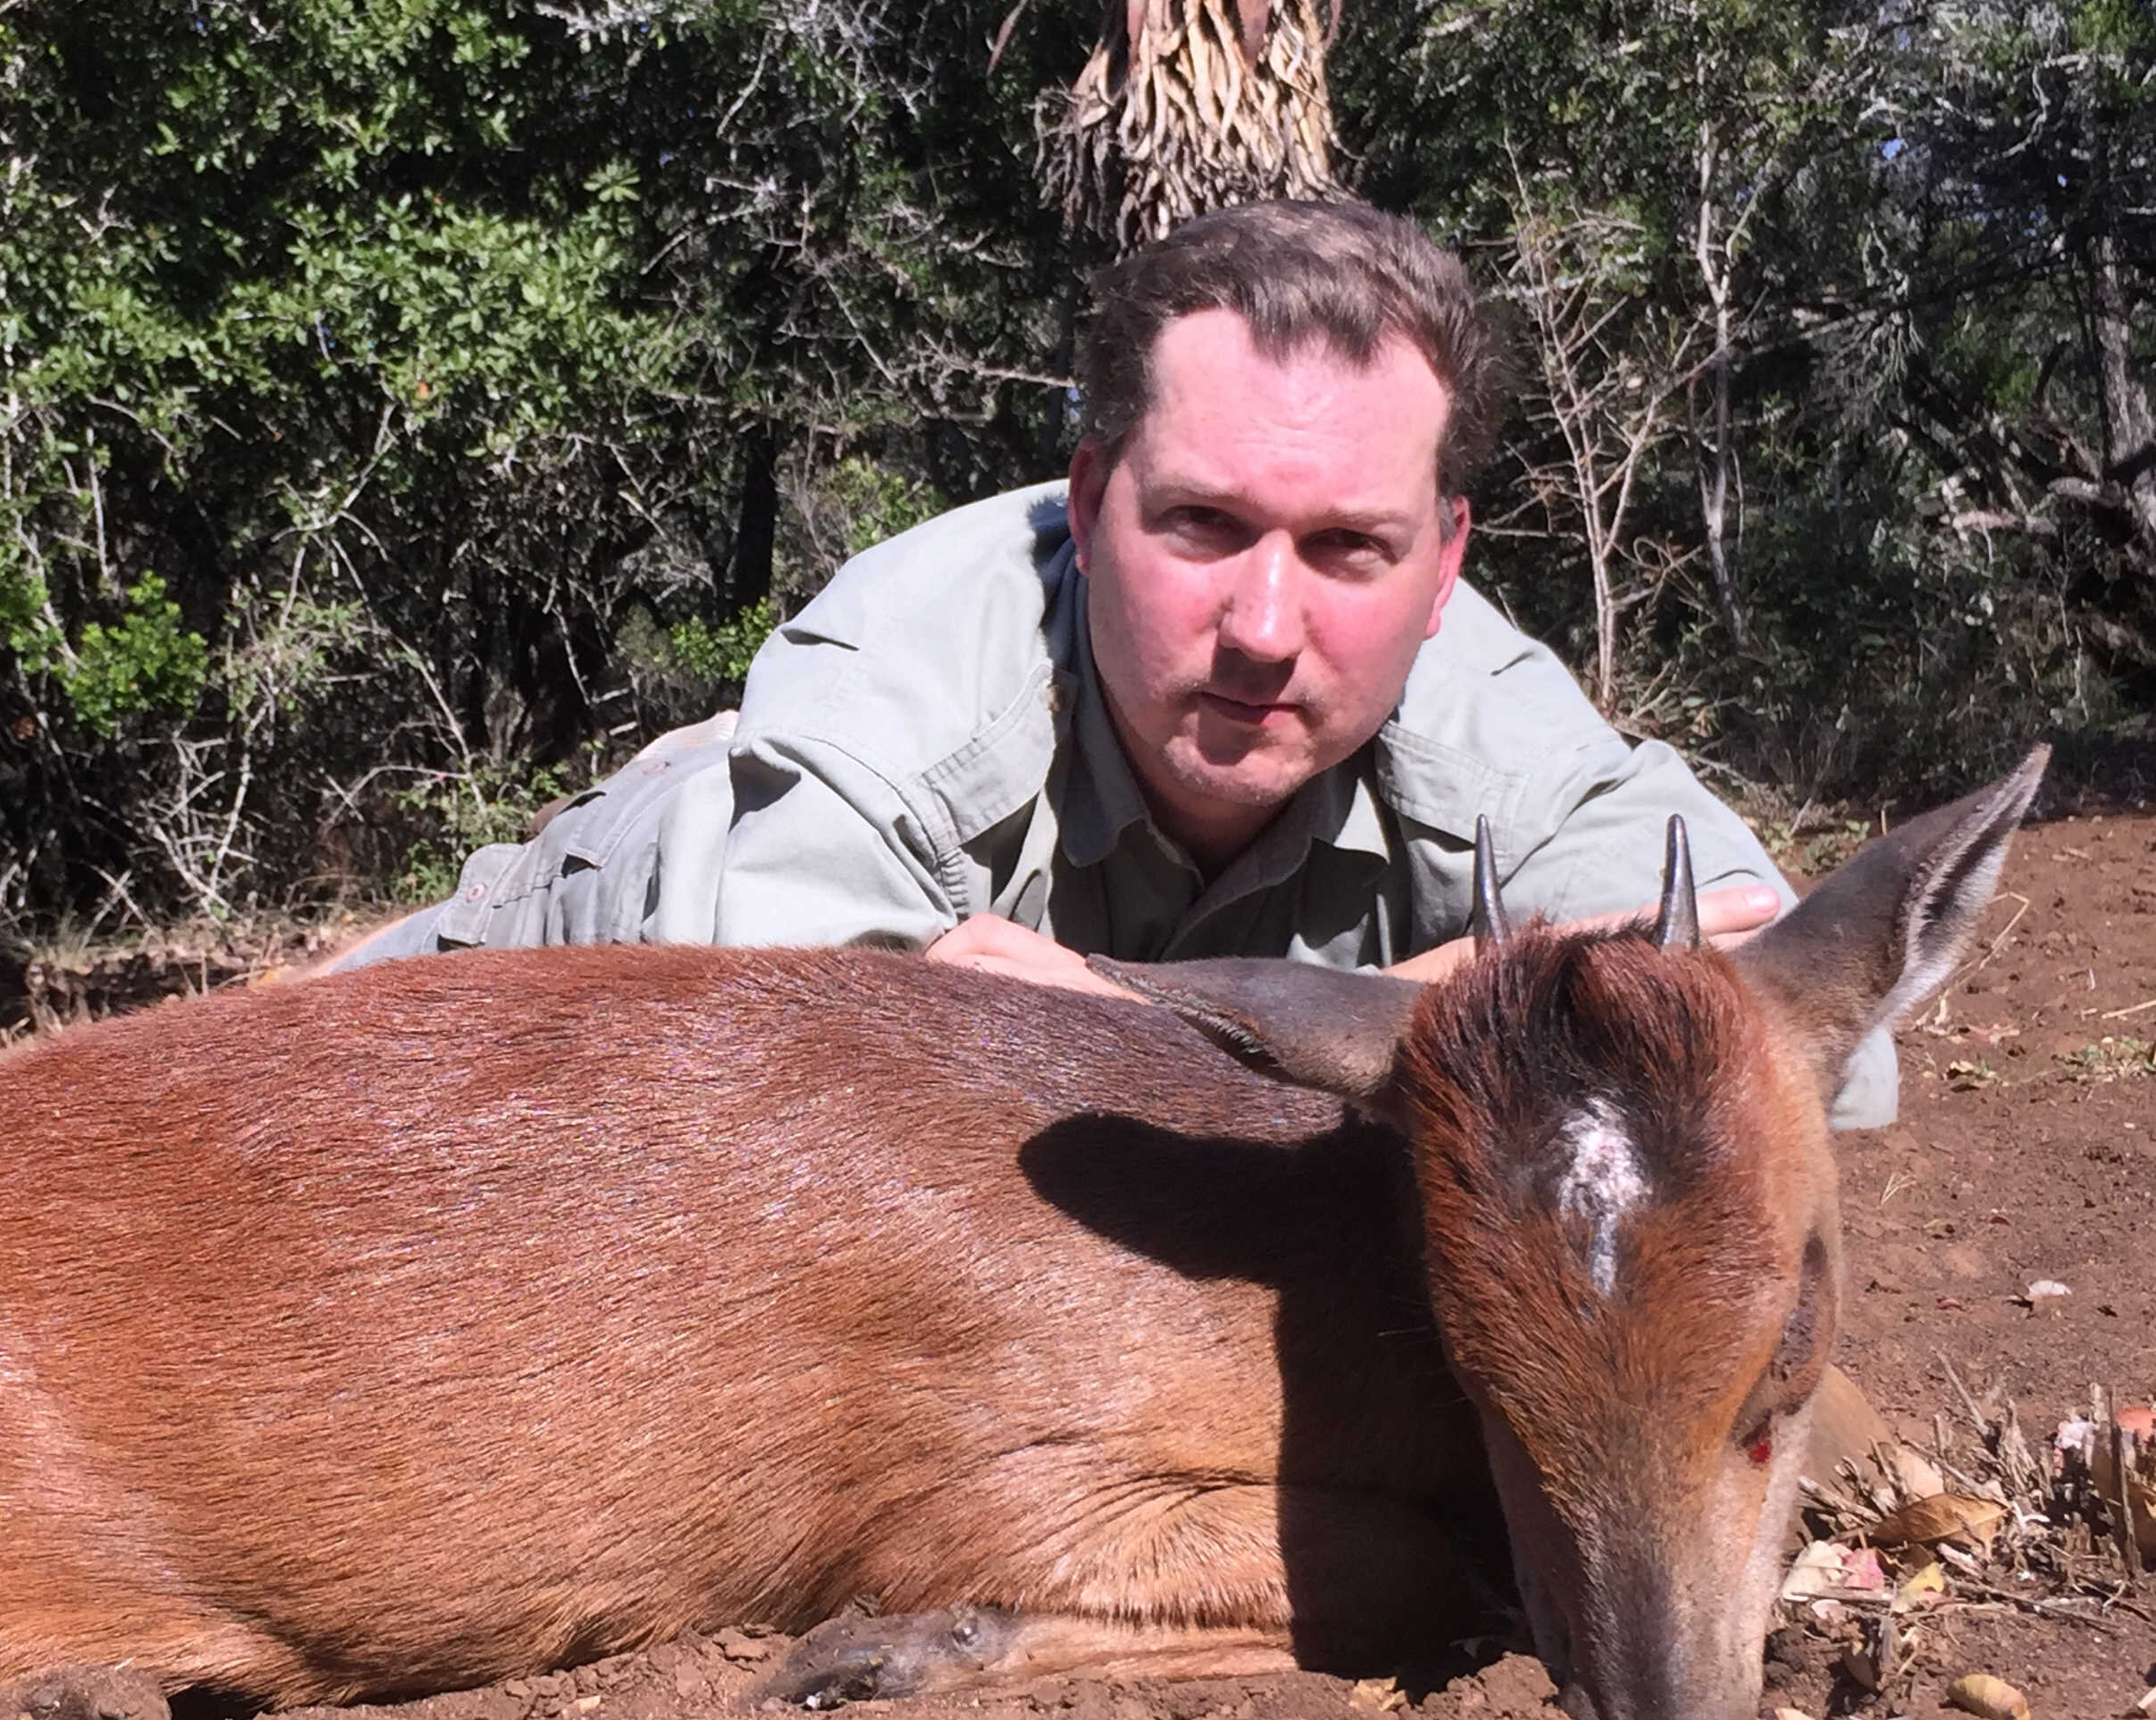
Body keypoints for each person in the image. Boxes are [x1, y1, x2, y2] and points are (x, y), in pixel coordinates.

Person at [335, 199, 1893, 1127]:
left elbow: (1788, 991)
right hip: (545, 972)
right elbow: (788, 1092)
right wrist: (1483, 1005)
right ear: (1088, 507)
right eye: (1204, 525)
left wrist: (1144, 1015)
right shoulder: (914, 685)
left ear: (1443, 563)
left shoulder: (1477, 707)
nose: (1269, 629)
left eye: (1351, 547)